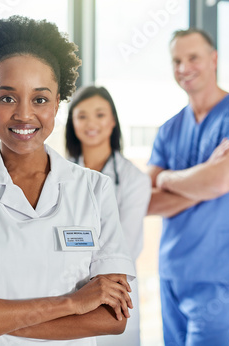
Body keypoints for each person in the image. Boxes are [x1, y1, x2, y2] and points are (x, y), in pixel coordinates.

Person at [0, 16, 136, 345]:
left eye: (40, 99)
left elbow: (112, 318)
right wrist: (72, 304)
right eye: (6, 98)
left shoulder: (94, 189)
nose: (23, 114)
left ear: (58, 102)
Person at [147, 28, 229, 345]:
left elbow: (223, 180)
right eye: (176, 60)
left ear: (213, 59)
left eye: (193, 58)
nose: (183, 67)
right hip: (172, 268)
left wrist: (166, 178)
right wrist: (203, 180)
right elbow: (145, 202)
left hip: (219, 268)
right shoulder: (168, 129)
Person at [66, 85, 151, 346]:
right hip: (65, 290)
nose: (91, 123)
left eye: (100, 115)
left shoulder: (134, 179)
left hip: (114, 293)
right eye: (82, 116)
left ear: (113, 120)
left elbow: (123, 247)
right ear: (72, 123)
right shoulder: (59, 174)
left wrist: (70, 244)